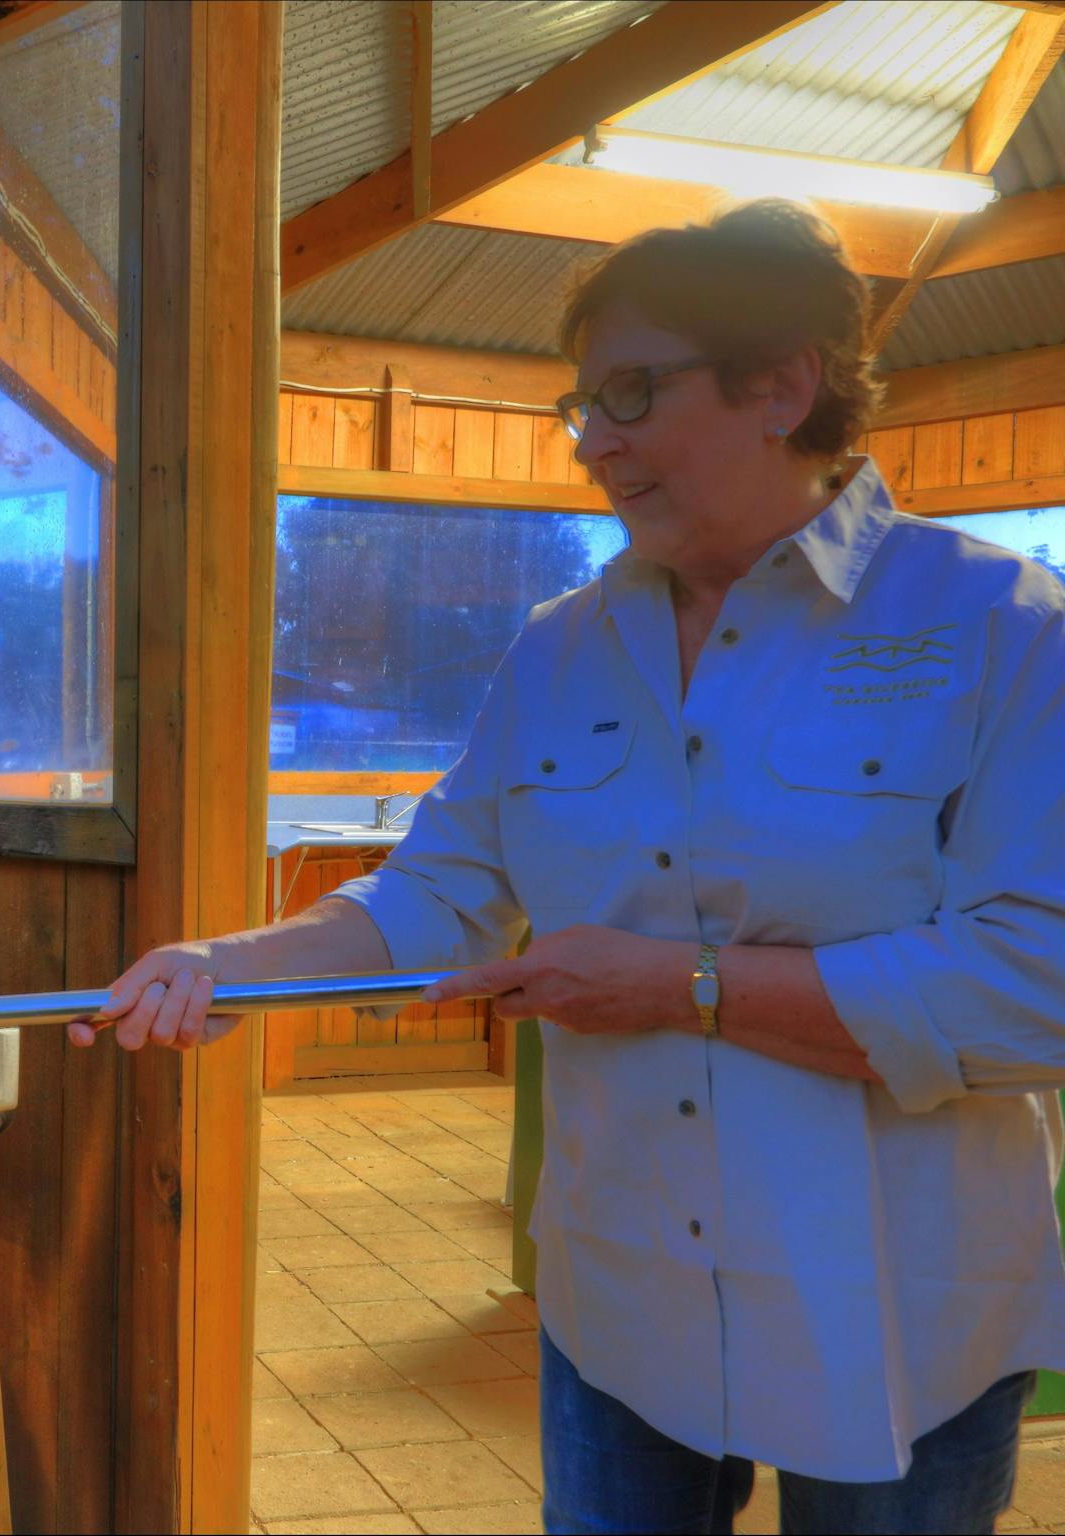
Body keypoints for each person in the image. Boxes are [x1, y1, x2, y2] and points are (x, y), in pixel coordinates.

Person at [76, 199, 1065, 1534]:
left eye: (631, 395)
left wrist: (680, 987)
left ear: (781, 387)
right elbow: (436, 892)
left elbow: (1038, 983)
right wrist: (225, 967)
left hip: (900, 1304)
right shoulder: (559, 646)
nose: (593, 442)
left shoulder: (999, 626)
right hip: (624, 1298)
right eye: (581, 407)